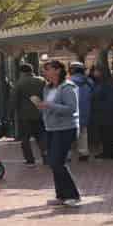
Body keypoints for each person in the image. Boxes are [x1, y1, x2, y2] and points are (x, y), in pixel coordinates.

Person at [35, 60, 80, 207]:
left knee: (57, 162)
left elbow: (71, 108)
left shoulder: (67, 87)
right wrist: (42, 107)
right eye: (45, 69)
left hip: (66, 128)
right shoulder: (47, 88)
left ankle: (73, 195)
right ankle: (61, 195)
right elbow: (49, 107)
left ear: (58, 70)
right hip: (51, 128)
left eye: (48, 69)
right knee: (53, 163)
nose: (45, 72)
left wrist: (50, 105)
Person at [11, 62, 48, 167]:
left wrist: (11, 113)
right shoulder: (42, 81)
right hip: (40, 113)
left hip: (24, 115)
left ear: (21, 72)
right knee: (41, 137)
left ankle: (30, 160)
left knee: (25, 138)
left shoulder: (20, 83)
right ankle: (46, 157)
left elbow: (14, 99)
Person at [89, 66, 113, 160]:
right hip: (106, 112)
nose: (94, 73)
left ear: (101, 73)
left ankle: (108, 153)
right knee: (105, 133)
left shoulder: (104, 85)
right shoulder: (106, 83)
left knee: (106, 133)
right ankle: (107, 152)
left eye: (96, 71)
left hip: (104, 113)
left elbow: (96, 96)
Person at [68, 62, 93, 162]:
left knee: (68, 133)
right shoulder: (89, 82)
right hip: (85, 110)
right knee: (83, 132)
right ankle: (84, 152)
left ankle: (68, 154)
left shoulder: (68, 82)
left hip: (71, 111)